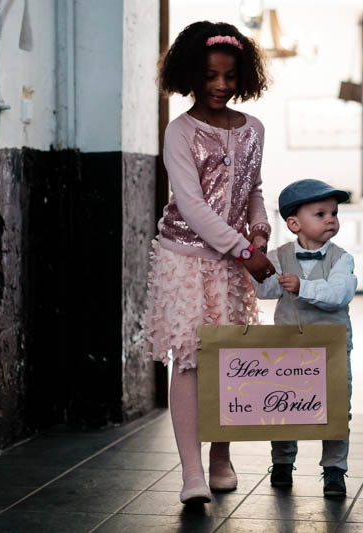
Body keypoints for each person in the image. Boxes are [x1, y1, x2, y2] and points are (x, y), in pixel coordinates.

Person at [142, 21, 276, 504]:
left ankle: (222, 458)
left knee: (229, 360)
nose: (220, 85)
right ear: (190, 75)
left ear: (244, 77)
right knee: (189, 362)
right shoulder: (179, 132)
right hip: (185, 262)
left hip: (232, 265)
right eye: (210, 75)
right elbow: (193, 207)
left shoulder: (253, 129)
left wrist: (259, 231)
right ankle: (192, 472)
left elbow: (254, 190)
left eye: (230, 76)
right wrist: (245, 251)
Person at [255, 179, 356, 498]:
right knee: (283, 404)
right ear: (294, 224)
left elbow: (339, 294)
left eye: (334, 213)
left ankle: (334, 469)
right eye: (321, 214)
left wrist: (303, 287)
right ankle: (282, 462)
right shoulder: (279, 256)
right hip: (290, 347)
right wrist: (254, 264)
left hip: (331, 349)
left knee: (336, 406)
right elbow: (264, 291)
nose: (331, 220)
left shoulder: (342, 258)